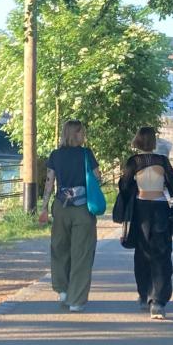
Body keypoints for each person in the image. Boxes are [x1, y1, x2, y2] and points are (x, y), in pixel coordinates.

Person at [115, 127, 173, 320]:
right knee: (162, 254)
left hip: (140, 210)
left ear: (137, 141)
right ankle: (158, 301)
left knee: (142, 254)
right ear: (153, 141)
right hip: (161, 209)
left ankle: (144, 295)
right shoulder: (162, 161)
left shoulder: (133, 162)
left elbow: (124, 187)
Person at [38, 119, 102, 313]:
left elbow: (49, 183)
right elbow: (98, 177)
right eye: (82, 132)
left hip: (61, 206)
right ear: (76, 134)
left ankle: (62, 290)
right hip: (83, 208)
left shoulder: (55, 155)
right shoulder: (86, 154)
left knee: (59, 249)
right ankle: (76, 299)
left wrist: (44, 208)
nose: (84, 136)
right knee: (81, 253)